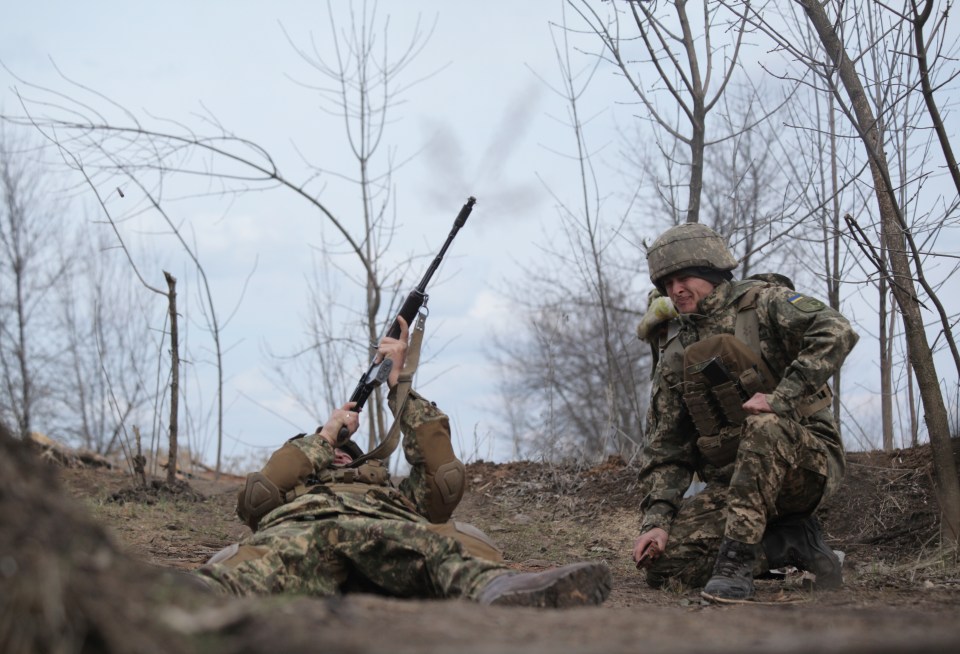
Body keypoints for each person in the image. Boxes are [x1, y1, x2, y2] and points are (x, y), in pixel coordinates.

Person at [196, 315, 611, 608]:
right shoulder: (293, 494)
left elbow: (443, 475)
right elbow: (257, 497)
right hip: (302, 533)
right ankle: (171, 599)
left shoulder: (394, 497)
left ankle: (507, 592)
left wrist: (400, 387)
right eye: (327, 451)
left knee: (441, 552)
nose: (339, 450)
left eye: (344, 449)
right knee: (257, 566)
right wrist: (323, 436)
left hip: (392, 531)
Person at [631, 223, 859, 602]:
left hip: (803, 466)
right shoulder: (676, 349)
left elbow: (836, 330)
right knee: (665, 567)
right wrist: (657, 521)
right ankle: (787, 543)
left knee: (764, 426)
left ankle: (736, 563)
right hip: (736, 487)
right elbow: (667, 447)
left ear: (711, 271)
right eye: (667, 283)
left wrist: (782, 397)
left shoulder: (764, 303)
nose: (676, 290)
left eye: (684, 277)